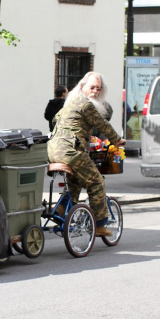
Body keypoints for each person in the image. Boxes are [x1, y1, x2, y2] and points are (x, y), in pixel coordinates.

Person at [47, 72, 126, 236]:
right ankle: (99, 225)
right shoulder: (85, 104)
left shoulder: (69, 104)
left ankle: (60, 210)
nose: (95, 91)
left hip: (54, 149)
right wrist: (117, 140)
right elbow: (102, 124)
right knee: (96, 182)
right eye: (92, 87)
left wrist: (78, 130)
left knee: (75, 183)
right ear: (82, 87)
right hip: (71, 151)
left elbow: (55, 120)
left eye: (98, 88)